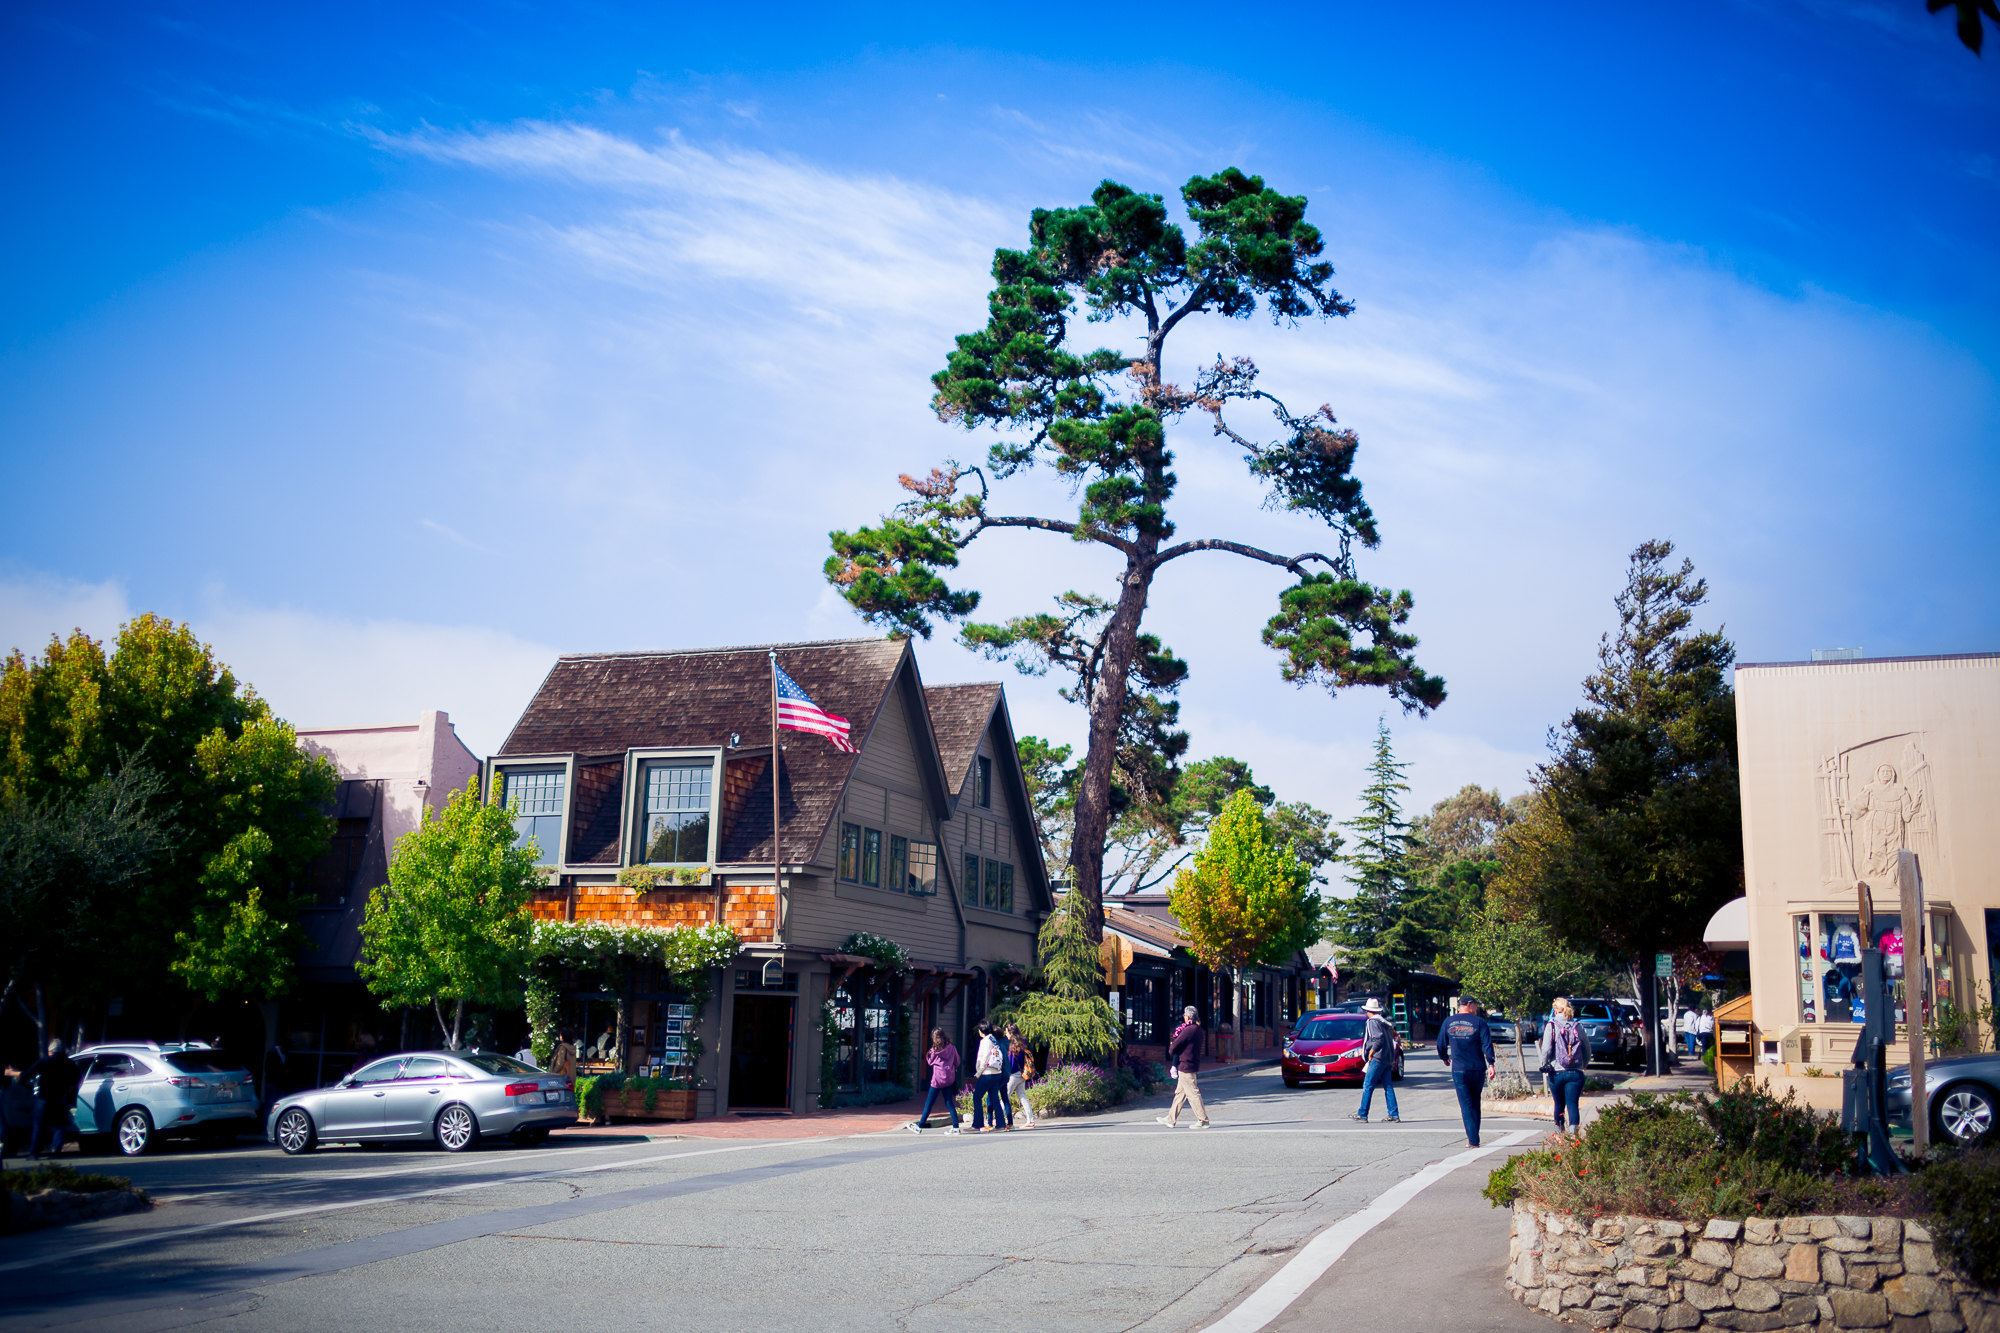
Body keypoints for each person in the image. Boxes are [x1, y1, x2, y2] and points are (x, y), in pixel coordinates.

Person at [1437, 997, 1496, 1147]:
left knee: (1466, 1105)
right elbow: (1487, 1044)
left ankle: (1473, 1140)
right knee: (1475, 1102)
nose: (1476, 1009)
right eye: (1475, 1006)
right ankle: (1474, 1136)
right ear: (1469, 1005)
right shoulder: (1479, 1022)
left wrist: (1444, 1057)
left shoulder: (1448, 1022)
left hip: (1459, 1069)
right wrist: (1491, 1064)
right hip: (1477, 1068)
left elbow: (1441, 1043)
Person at [26, 1038, 82, 1160]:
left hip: (44, 1098)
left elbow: (28, 1073)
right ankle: (56, 1151)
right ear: (62, 1051)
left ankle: (34, 1153)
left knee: (38, 1125)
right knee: (59, 1125)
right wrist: (69, 1088)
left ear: (51, 1051)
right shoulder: (69, 1063)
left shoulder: (45, 1061)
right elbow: (77, 1077)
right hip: (60, 1098)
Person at [1156, 1006, 1211, 1129]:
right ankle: (1171, 1119)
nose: (1184, 1017)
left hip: (1186, 1064)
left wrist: (1171, 1047)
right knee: (1180, 1093)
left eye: (1185, 1015)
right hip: (1191, 1063)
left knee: (1192, 1093)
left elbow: (1176, 1045)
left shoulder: (1189, 1029)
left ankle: (1203, 1120)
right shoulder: (1198, 1030)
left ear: (1188, 1016)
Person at [1540, 997, 1589, 1134]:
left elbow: (1546, 1049)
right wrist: (1583, 1064)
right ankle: (1574, 1135)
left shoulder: (1552, 1025)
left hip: (1557, 1072)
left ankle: (1559, 1134)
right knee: (1573, 1104)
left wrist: (1544, 1064)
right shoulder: (1577, 1026)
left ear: (1556, 1010)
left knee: (1559, 1104)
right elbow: (1587, 1048)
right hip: (1575, 1073)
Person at [1351, 998, 1400, 1123]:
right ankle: (1394, 1114)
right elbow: (1393, 1036)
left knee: (1368, 1085)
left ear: (1368, 1010)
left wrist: (1371, 1052)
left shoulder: (1372, 1022)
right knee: (1388, 1086)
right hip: (1388, 1058)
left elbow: (1378, 1039)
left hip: (1378, 1058)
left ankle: (1363, 1114)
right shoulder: (1384, 1022)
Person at [906, 1028, 962, 1134]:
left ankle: (920, 1125)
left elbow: (930, 1062)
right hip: (949, 1079)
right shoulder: (952, 1048)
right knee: (949, 1102)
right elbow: (957, 1062)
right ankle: (956, 1127)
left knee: (929, 1103)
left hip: (937, 1080)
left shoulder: (934, 1050)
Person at [970, 1022, 1008, 1131]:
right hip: (997, 1072)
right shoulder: (993, 1039)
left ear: (981, 1031)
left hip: (987, 1073)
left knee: (976, 1097)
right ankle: (1001, 1124)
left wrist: (978, 1073)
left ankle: (977, 1124)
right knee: (994, 1098)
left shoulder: (985, 1041)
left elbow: (984, 1058)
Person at [1004, 1024, 1036, 1129]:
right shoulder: (1022, 1043)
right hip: (1023, 1073)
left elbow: (1011, 1064)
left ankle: (998, 1119)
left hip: (1014, 1075)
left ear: (1011, 1033)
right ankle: (1030, 1120)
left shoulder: (1013, 1046)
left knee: (1005, 1096)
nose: (1006, 1034)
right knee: (1022, 1096)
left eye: (1007, 1032)